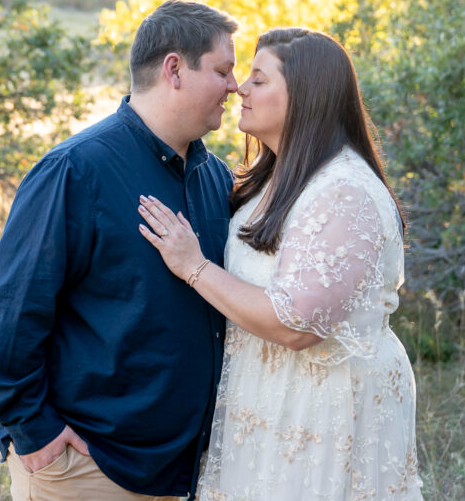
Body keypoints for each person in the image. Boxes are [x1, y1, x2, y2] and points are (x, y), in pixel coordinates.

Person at [0, 0, 241, 500]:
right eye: (224, 70)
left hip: (185, 470)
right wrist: (36, 432)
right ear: (175, 70)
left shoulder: (216, 177)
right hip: (88, 468)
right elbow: (10, 316)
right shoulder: (75, 170)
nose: (235, 86)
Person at [137, 27, 423, 499]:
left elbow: (297, 326)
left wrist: (194, 267)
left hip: (323, 409)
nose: (239, 89)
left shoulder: (343, 191)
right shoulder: (271, 176)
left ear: (306, 97)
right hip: (268, 400)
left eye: (258, 79)